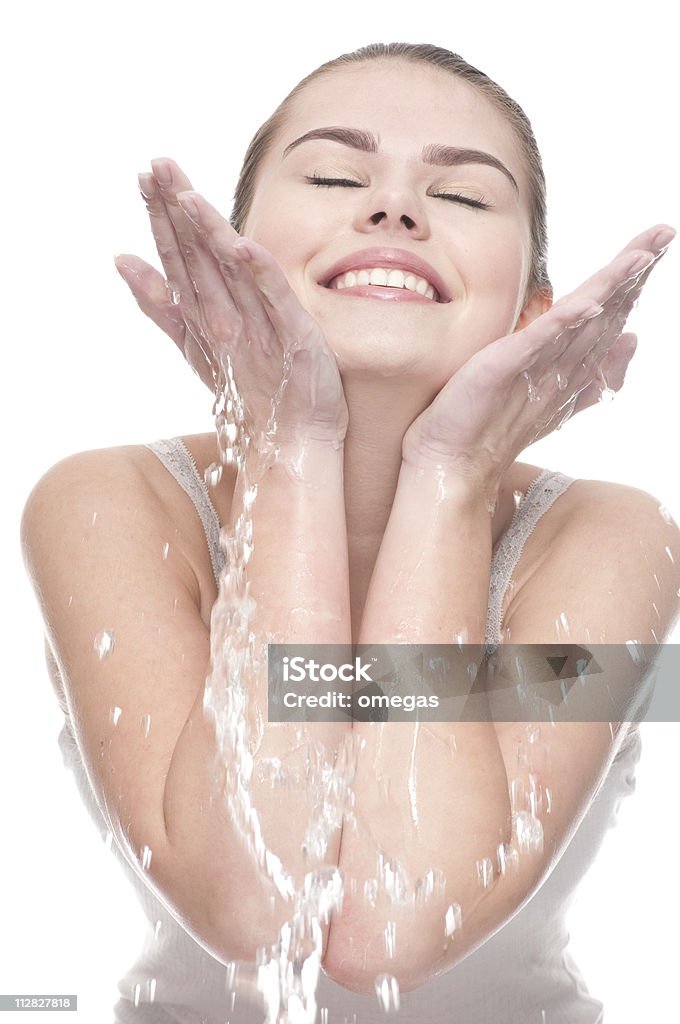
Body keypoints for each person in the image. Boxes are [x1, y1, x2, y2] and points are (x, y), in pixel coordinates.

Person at [20, 41, 679, 1024]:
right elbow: (258, 912)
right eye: (334, 175)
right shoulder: (107, 501)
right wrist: (289, 447)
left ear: (533, 313)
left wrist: (449, 481)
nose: (395, 208)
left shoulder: (608, 534)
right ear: (225, 261)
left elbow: (392, 928)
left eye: (460, 196)